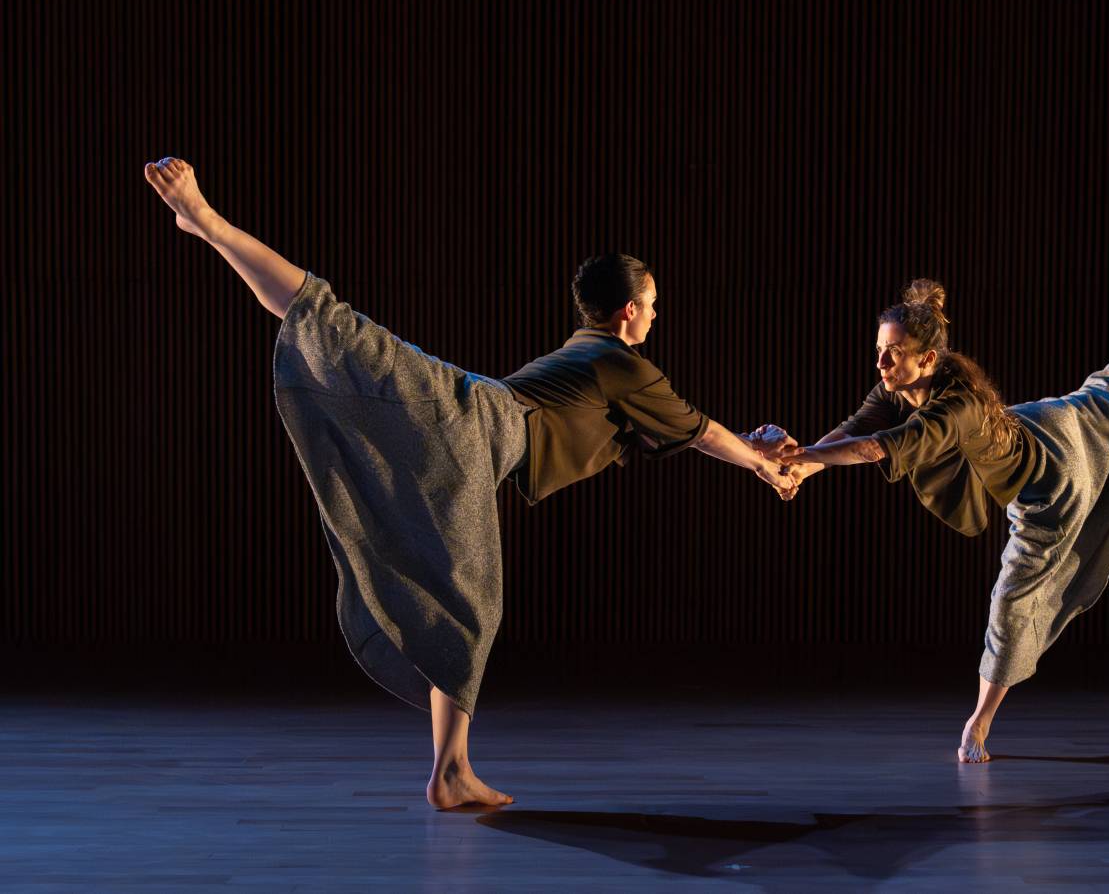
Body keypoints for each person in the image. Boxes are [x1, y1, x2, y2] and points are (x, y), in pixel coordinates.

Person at [142, 156, 797, 808]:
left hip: (466, 429)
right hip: (469, 428)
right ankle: (211, 222)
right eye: (652, 306)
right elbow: (701, 431)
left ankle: (450, 771)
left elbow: (675, 432)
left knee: (459, 590)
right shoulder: (623, 365)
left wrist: (756, 443)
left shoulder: (585, 356)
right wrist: (763, 464)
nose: (655, 317)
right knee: (333, 327)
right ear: (629, 311)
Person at [751, 278, 1109, 763]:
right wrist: (801, 468)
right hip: (1039, 420)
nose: (880, 364)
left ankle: (978, 724)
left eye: (892, 354)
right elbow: (858, 428)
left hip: (1050, 482)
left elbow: (880, 448)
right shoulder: (897, 386)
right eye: (879, 350)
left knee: (1012, 599)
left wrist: (802, 455)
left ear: (927, 360)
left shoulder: (956, 406)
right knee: (1108, 385)